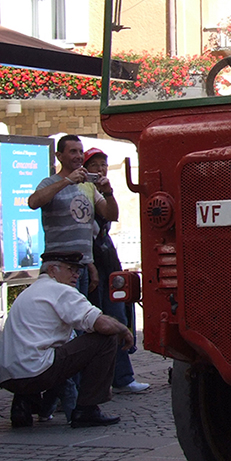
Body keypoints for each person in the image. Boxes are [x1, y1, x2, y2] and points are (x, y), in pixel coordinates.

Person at [0, 250, 134, 428]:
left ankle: (23, 404)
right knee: (107, 338)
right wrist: (124, 330)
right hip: (36, 371)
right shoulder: (60, 290)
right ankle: (87, 409)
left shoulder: (29, 292)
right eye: (71, 269)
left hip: (5, 374)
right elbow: (101, 325)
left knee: (40, 351)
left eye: (78, 271)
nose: (76, 275)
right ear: (52, 270)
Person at [83, 148, 149, 394]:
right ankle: (97, 380)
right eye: (95, 165)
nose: (100, 169)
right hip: (90, 262)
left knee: (118, 318)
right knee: (94, 322)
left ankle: (122, 376)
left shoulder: (102, 194)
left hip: (108, 260)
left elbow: (113, 215)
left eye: (103, 164)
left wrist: (108, 192)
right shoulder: (79, 190)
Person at [29, 135, 118, 298]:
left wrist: (108, 192)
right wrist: (67, 181)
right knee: (62, 318)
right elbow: (33, 202)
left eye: (80, 152)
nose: (78, 156)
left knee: (79, 318)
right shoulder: (50, 183)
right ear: (59, 156)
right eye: (73, 152)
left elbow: (110, 214)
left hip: (82, 266)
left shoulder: (89, 186)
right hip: (59, 266)